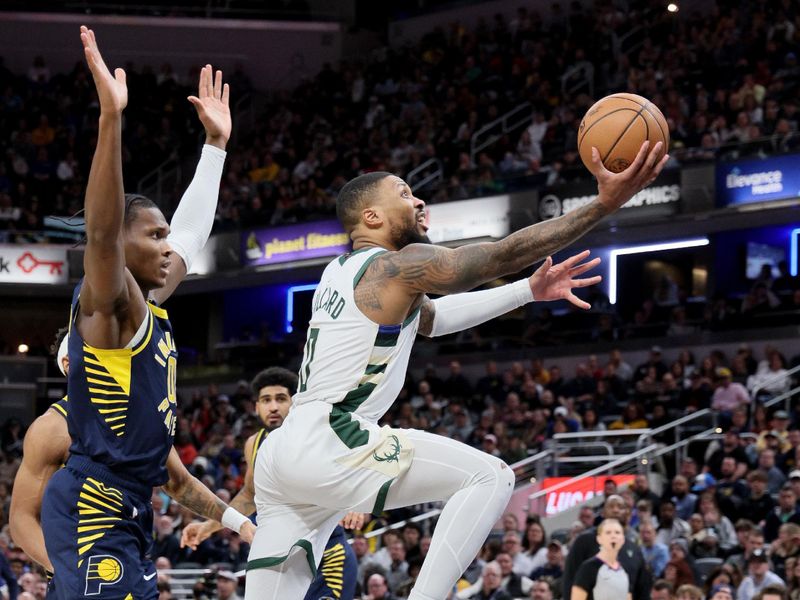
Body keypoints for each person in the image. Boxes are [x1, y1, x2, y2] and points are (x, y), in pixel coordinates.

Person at [245, 134, 667, 596]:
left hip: (283, 453)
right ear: (372, 217)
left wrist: (526, 291)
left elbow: (432, 320)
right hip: (334, 437)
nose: (418, 199)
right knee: (490, 476)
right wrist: (601, 205)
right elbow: (499, 255)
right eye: (404, 193)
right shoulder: (395, 266)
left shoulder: (339, 270)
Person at [35, 27, 252, 599]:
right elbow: (102, 232)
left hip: (130, 509)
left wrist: (215, 148)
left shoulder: (149, 310)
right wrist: (111, 118)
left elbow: (192, 239)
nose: (165, 246)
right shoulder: (108, 304)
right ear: (122, 250)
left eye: (164, 236)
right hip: (93, 509)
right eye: (152, 236)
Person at [181, 367, 362, 600]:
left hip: (328, 552)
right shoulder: (253, 444)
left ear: (295, 403)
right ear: (256, 407)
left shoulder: (320, 433)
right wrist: (209, 526)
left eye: (281, 399)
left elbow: (354, 472)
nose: (273, 407)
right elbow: (248, 496)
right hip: (285, 555)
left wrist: (356, 503)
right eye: (266, 400)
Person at [564, 496, 651, 600]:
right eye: (611, 506)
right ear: (603, 513)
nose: (615, 510)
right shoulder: (584, 540)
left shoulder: (634, 548)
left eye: (620, 507)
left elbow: (642, 589)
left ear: (627, 513)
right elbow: (570, 579)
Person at [571, 519, 632, 600]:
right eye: (608, 532)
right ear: (599, 539)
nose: (613, 536)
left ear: (623, 539)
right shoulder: (588, 568)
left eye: (617, 532)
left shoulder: (625, 569)